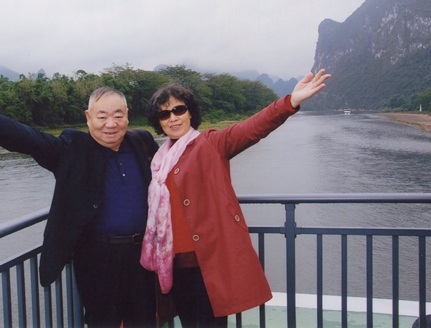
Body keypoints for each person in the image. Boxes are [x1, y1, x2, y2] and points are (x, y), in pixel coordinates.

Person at [0, 84, 159, 328]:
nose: (110, 124)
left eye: (118, 115)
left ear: (127, 116)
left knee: (144, 318)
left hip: (143, 253)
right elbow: (31, 140)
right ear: (88, 117)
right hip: (98, 257)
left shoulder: (141, 141)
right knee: (103, 321)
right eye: (102, 117)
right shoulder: (72, 148)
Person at [140, 70, 331, 327]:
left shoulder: (211, 143)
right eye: (165, 114)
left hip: (208, 266)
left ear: (190, 113)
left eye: (179, 110)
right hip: (173, 267)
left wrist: (291, 102)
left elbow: (251, 129)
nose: (173, 117)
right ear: (159, 122)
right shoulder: (158, 161)